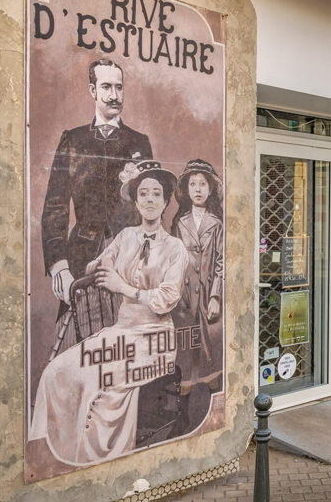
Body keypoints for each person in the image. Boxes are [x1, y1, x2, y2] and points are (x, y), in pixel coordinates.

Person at [29, 160, 188, 465]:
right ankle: (58, 455)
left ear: (166, 200)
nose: (150, 200)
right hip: (121, 332)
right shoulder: (126, 236)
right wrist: (91, 269)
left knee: (97, 382)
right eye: (144, 194)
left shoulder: (175, 247)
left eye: (157, 194)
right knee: (56, 372)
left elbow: (166, 299)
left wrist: (123, 287)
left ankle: (96, 462)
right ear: (136, 200)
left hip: (154, 340)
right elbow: (97, 265)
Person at [42, 59, 154, 313]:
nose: (114, 96)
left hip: (130, 258)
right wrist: (59, 264)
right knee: (81, 336)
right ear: (92, 90)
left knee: (130, 334)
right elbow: (55, 206)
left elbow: (151, 205)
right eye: (106, 87)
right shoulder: (73, 140)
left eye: (119, 87)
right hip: (82, 257)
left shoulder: (139, 142)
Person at [170, 159, 224, 395]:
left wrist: (216, 297)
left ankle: (212, 379)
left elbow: (222, 262)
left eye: (203, 184)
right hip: (185, 294)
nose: (198, 189)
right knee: (186, 336)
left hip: (208, 292)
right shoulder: (179, 223)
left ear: (210, 189)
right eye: (193, 184)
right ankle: (186, 382)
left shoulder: (216, 224)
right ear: (186, 189)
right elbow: (173, 259)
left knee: (211, 337)